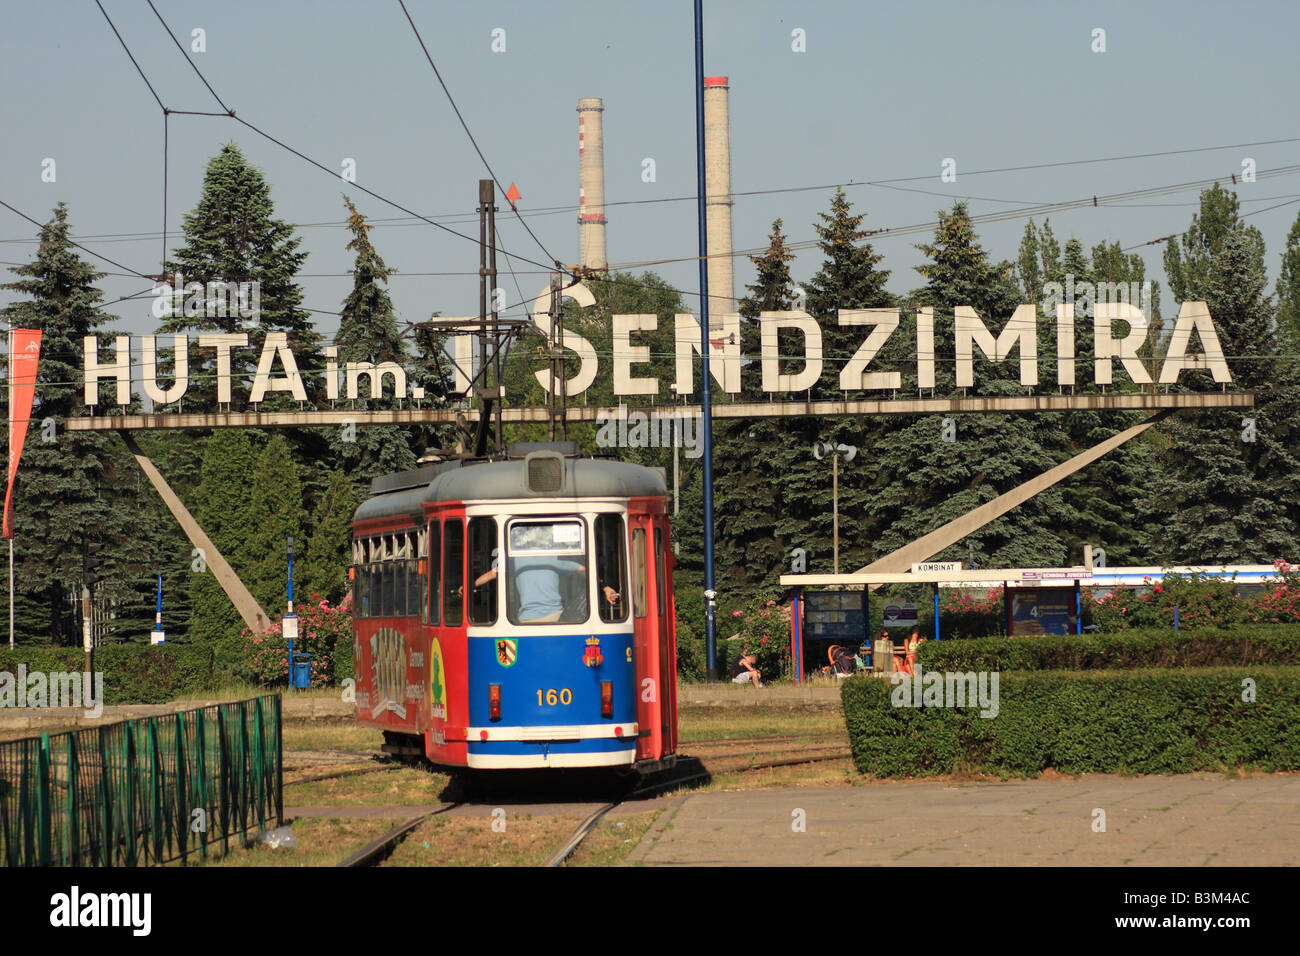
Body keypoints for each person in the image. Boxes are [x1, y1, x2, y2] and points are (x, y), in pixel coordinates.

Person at [474, 559, 618, 623]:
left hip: (526, 620)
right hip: (556, 617)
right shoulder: (554, 559)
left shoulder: (514, 561)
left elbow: (490, 575)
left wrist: (471, 585)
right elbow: (585, 572)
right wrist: (605, 588)